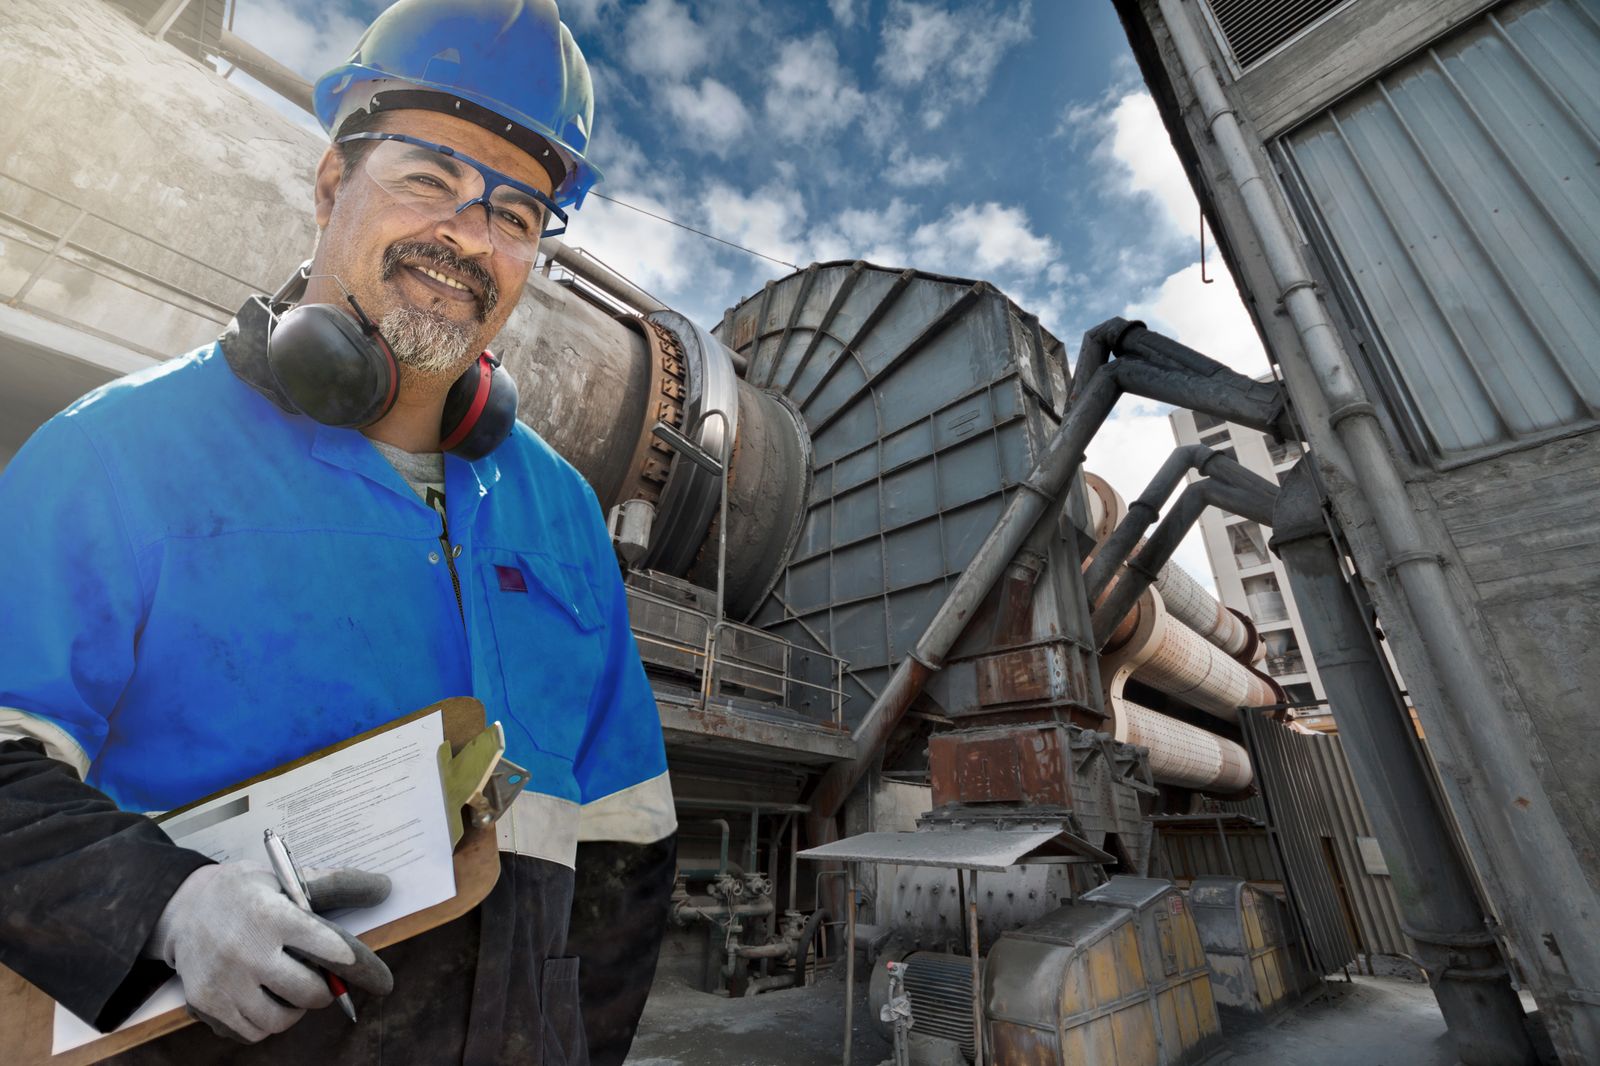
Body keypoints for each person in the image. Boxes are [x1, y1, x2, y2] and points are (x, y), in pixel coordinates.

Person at [0, 1, 676, 1063]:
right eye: (428, 178)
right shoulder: (118, 453)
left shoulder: (559, 512)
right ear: (329, 185)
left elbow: (629, 843)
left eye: (515, 212)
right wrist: (163, 905)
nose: (467, 235)